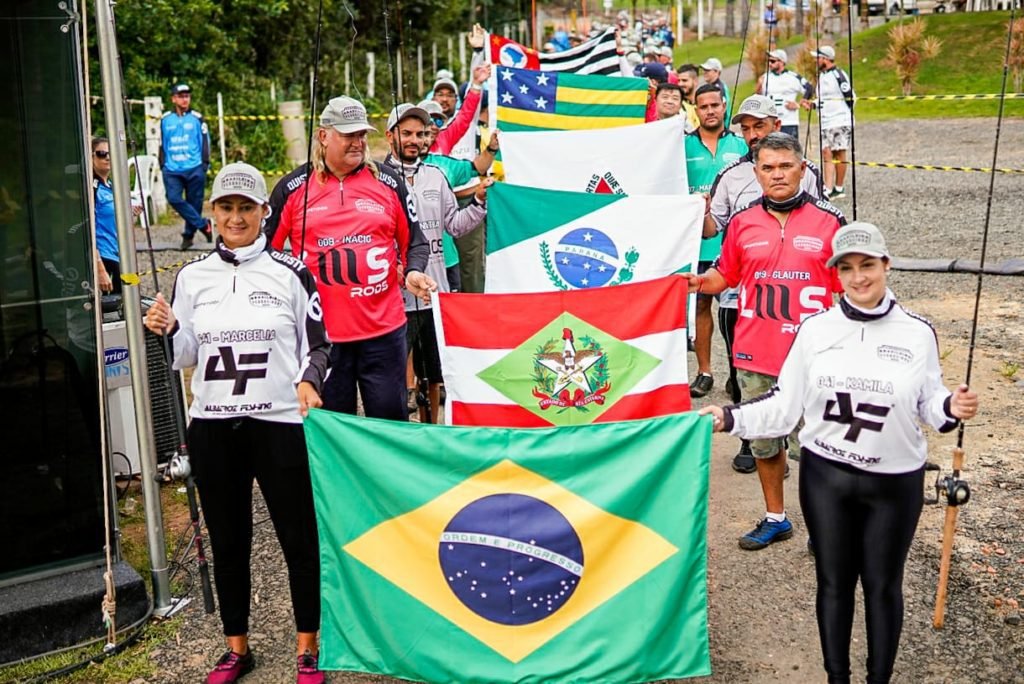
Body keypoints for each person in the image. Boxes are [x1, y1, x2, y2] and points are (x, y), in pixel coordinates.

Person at [701, 221, 979, 684]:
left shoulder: (917, 332)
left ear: (886, 265)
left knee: (883, 585)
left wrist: (951, 406)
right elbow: (784, 407)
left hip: (895, 481)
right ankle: (837, 678)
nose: (858, 277)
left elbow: (929, 402)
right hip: (826, 478)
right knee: (833, 583)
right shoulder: (815, 329)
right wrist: (728, 418)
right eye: (846, 268)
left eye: (867, 265)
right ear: (835, 273)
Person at [143, 163, 330, 684]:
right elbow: (183, 355)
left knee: (298, 540)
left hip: (279, 424)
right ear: (213, 213)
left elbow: (320, 345)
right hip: (213, 426)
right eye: (226, 207)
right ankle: (236, 649)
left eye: (246, 207)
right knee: (228, 542)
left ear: (264, 211)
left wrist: (309, 381)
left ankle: (307, 647)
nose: (236, 217)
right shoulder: (191, 276)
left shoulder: (292, 271)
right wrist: (168, 328)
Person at [689, 132, 845, 551]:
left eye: (785, 166)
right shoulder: (742, 222)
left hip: (813, 358)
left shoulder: (831, 221)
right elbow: (726, 275)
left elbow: (849, 286)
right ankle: (776, 517)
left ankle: (825, 526)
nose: (777, 174)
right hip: (755, 353)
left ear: (802, 169)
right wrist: (698, 283)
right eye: (768, 168)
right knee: (764, 443)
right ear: (756, 172)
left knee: (818, 447)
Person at [265, 96, 434, 420]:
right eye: (348, 134)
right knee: (333, 426)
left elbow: (416, 243)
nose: (358, 142)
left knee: (390, 424)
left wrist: (413, 271)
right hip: (322, 338)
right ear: (323, 136)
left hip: (384, 332)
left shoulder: (389, 181)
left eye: (361, 134)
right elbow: (265, 254)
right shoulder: (293, 188)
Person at [704, 94, 824, 473]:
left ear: (776, 124)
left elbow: (819, 226)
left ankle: (794, 446)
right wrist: (697, 213)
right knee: (744, 371)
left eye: (759, 125)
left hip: (797, 302)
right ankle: (751, 437)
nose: (752, 134)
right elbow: (712, 228)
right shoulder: (731, 174)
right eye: (746, 128)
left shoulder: (807, 172)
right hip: (737, 296)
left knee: (800, 380)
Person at [382, 103, 489, 422]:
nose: (415, 140)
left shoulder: (436, 176)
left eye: (421, 134)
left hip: (435, 294)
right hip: (395, 299)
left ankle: (432, 429)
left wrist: (479, 202)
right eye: (407, 133)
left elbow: (454, 225)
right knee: (394, 374)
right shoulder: (377, 179)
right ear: (390, 136)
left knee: (435, 373)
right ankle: (401, 431)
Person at [684, 85, 748, 399]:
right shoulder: (681, 146)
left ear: (724, 106)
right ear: (695, 110)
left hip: (733, 240)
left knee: (736, 309)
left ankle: (738, 371)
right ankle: (704, 371)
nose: (709, 111)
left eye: (714, 105)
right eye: (703, 106)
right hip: (697, 240)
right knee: (701, 304)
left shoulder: (741, 144)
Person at [159, 83, 212, 250]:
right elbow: (162, 143)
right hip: (172, 168)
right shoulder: (165, 119)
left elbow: (205, 142)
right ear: (173, 99)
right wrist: (162, 164)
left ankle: (188, 236)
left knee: (195, 203)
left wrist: (204, 164)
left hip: (194, 166)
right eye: (181, 96)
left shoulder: (197, 118)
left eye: (187, 96)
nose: (185, 99)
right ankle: (203, 225)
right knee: (173, 198)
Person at [802, 45, 855, 199]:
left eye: (818, 58)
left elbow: (851, 96)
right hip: (825, 122)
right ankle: (828, 188)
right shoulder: (822, 76)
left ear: (825, 59)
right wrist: (812, 105)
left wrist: (844, 116)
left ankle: (839, 187)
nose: (816, 61)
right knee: (826, 152)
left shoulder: (839, 75)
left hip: (839, 120)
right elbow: (823, 99)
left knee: (839, 152)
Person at [91, 137, 141, 294]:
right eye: (102, 154)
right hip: (105, 258)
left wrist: (130, 214)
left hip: (121, 255)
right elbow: (86, 230)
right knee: (120, 301)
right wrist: (99, 268)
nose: (107, 157)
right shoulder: (92, 189)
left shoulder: (113, 186)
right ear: (91, 157)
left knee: (133, 293)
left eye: (111, 153)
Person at [756, 49, 813, 139]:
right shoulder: (765, 77)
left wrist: (798, 104)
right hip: (771, 123)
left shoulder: (793, 77)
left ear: (782, 62)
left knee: (789, 147)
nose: (770, 64)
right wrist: (758, 86)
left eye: (773, 61)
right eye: (769, 61)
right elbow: (758, 97)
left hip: (788, 122)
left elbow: (809, 88)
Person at [676, 63, 701, 131]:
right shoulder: (677, 107)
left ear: (695, 81)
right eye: (678, 81)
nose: (680, 84)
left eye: (684, 80)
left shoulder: (703, 104)